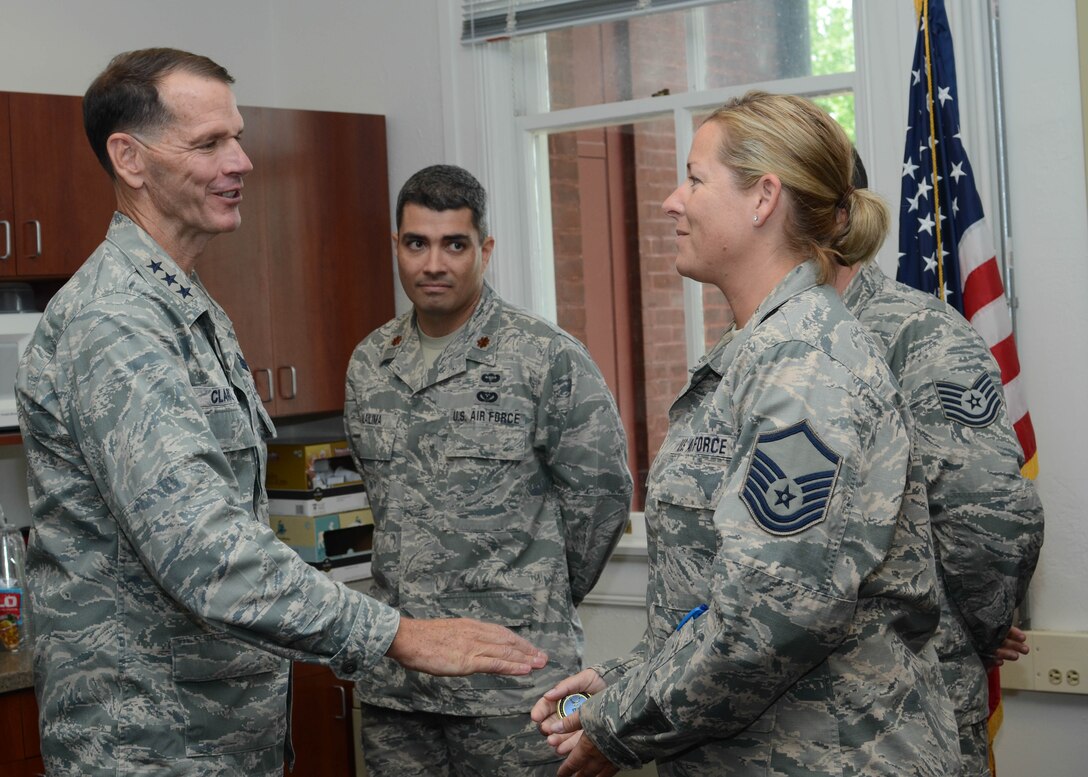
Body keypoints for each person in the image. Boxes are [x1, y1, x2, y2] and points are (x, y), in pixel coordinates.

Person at [16, 48, 546, 777]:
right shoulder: (115, 322)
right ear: (129, 159)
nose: (242, 162)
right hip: (151, 745)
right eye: (209, 144)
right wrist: (397, 634)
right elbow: (206, 553)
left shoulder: (185, 305)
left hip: (216, 736)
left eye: (237, 136)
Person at [530, 90, 959, 776]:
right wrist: (624, 678)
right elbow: (716, 593)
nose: (673, 200)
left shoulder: (805, 366)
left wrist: (618, 725)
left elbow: (769, 615)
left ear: (763, 199)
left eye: (696, 178)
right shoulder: (761, 351)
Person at [343, 163, 633, 776]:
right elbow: (388, 504)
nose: (433, 264)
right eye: (416, 243)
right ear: (396, 246)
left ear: (486, 249)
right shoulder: (370, 363)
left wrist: (535, 597)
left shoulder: (543, 356)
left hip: (514, 683)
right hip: (400, 683)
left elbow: (601, 500)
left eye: (455, 244)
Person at [832, 152, 1044, 776]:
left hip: (908, 712)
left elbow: (991, 520)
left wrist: (976, 627)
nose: (676, 202)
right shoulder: (749, 345)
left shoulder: (916, 333)